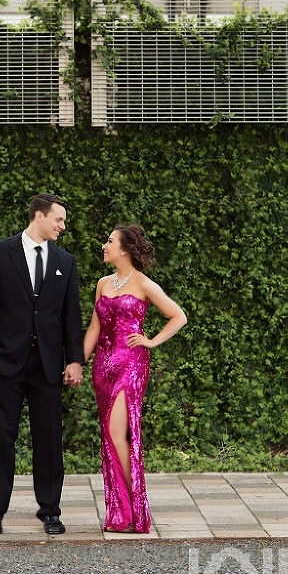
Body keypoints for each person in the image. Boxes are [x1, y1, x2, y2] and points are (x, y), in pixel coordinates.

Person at [0, 193, 85, 536]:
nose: (63, 226)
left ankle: (50, 511)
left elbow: (70, 317)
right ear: (39, 215)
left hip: (48, 366)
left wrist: (75, 359)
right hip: (7, 362)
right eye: (59, 219)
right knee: (2, 438)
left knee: (49, 439)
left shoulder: (65, 261)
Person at [83, 224, 186, 534]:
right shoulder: (103, 283)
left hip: (130, 365)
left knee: (119, 435)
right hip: (102, 367)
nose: (104, 245)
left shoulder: (143, 283)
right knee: (112, 439)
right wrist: (77, 362)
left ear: (124, 249)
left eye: (110, 241)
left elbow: (178, 316)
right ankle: (122, 514)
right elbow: (93, 329)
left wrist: (151, 341)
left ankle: (135, 510)